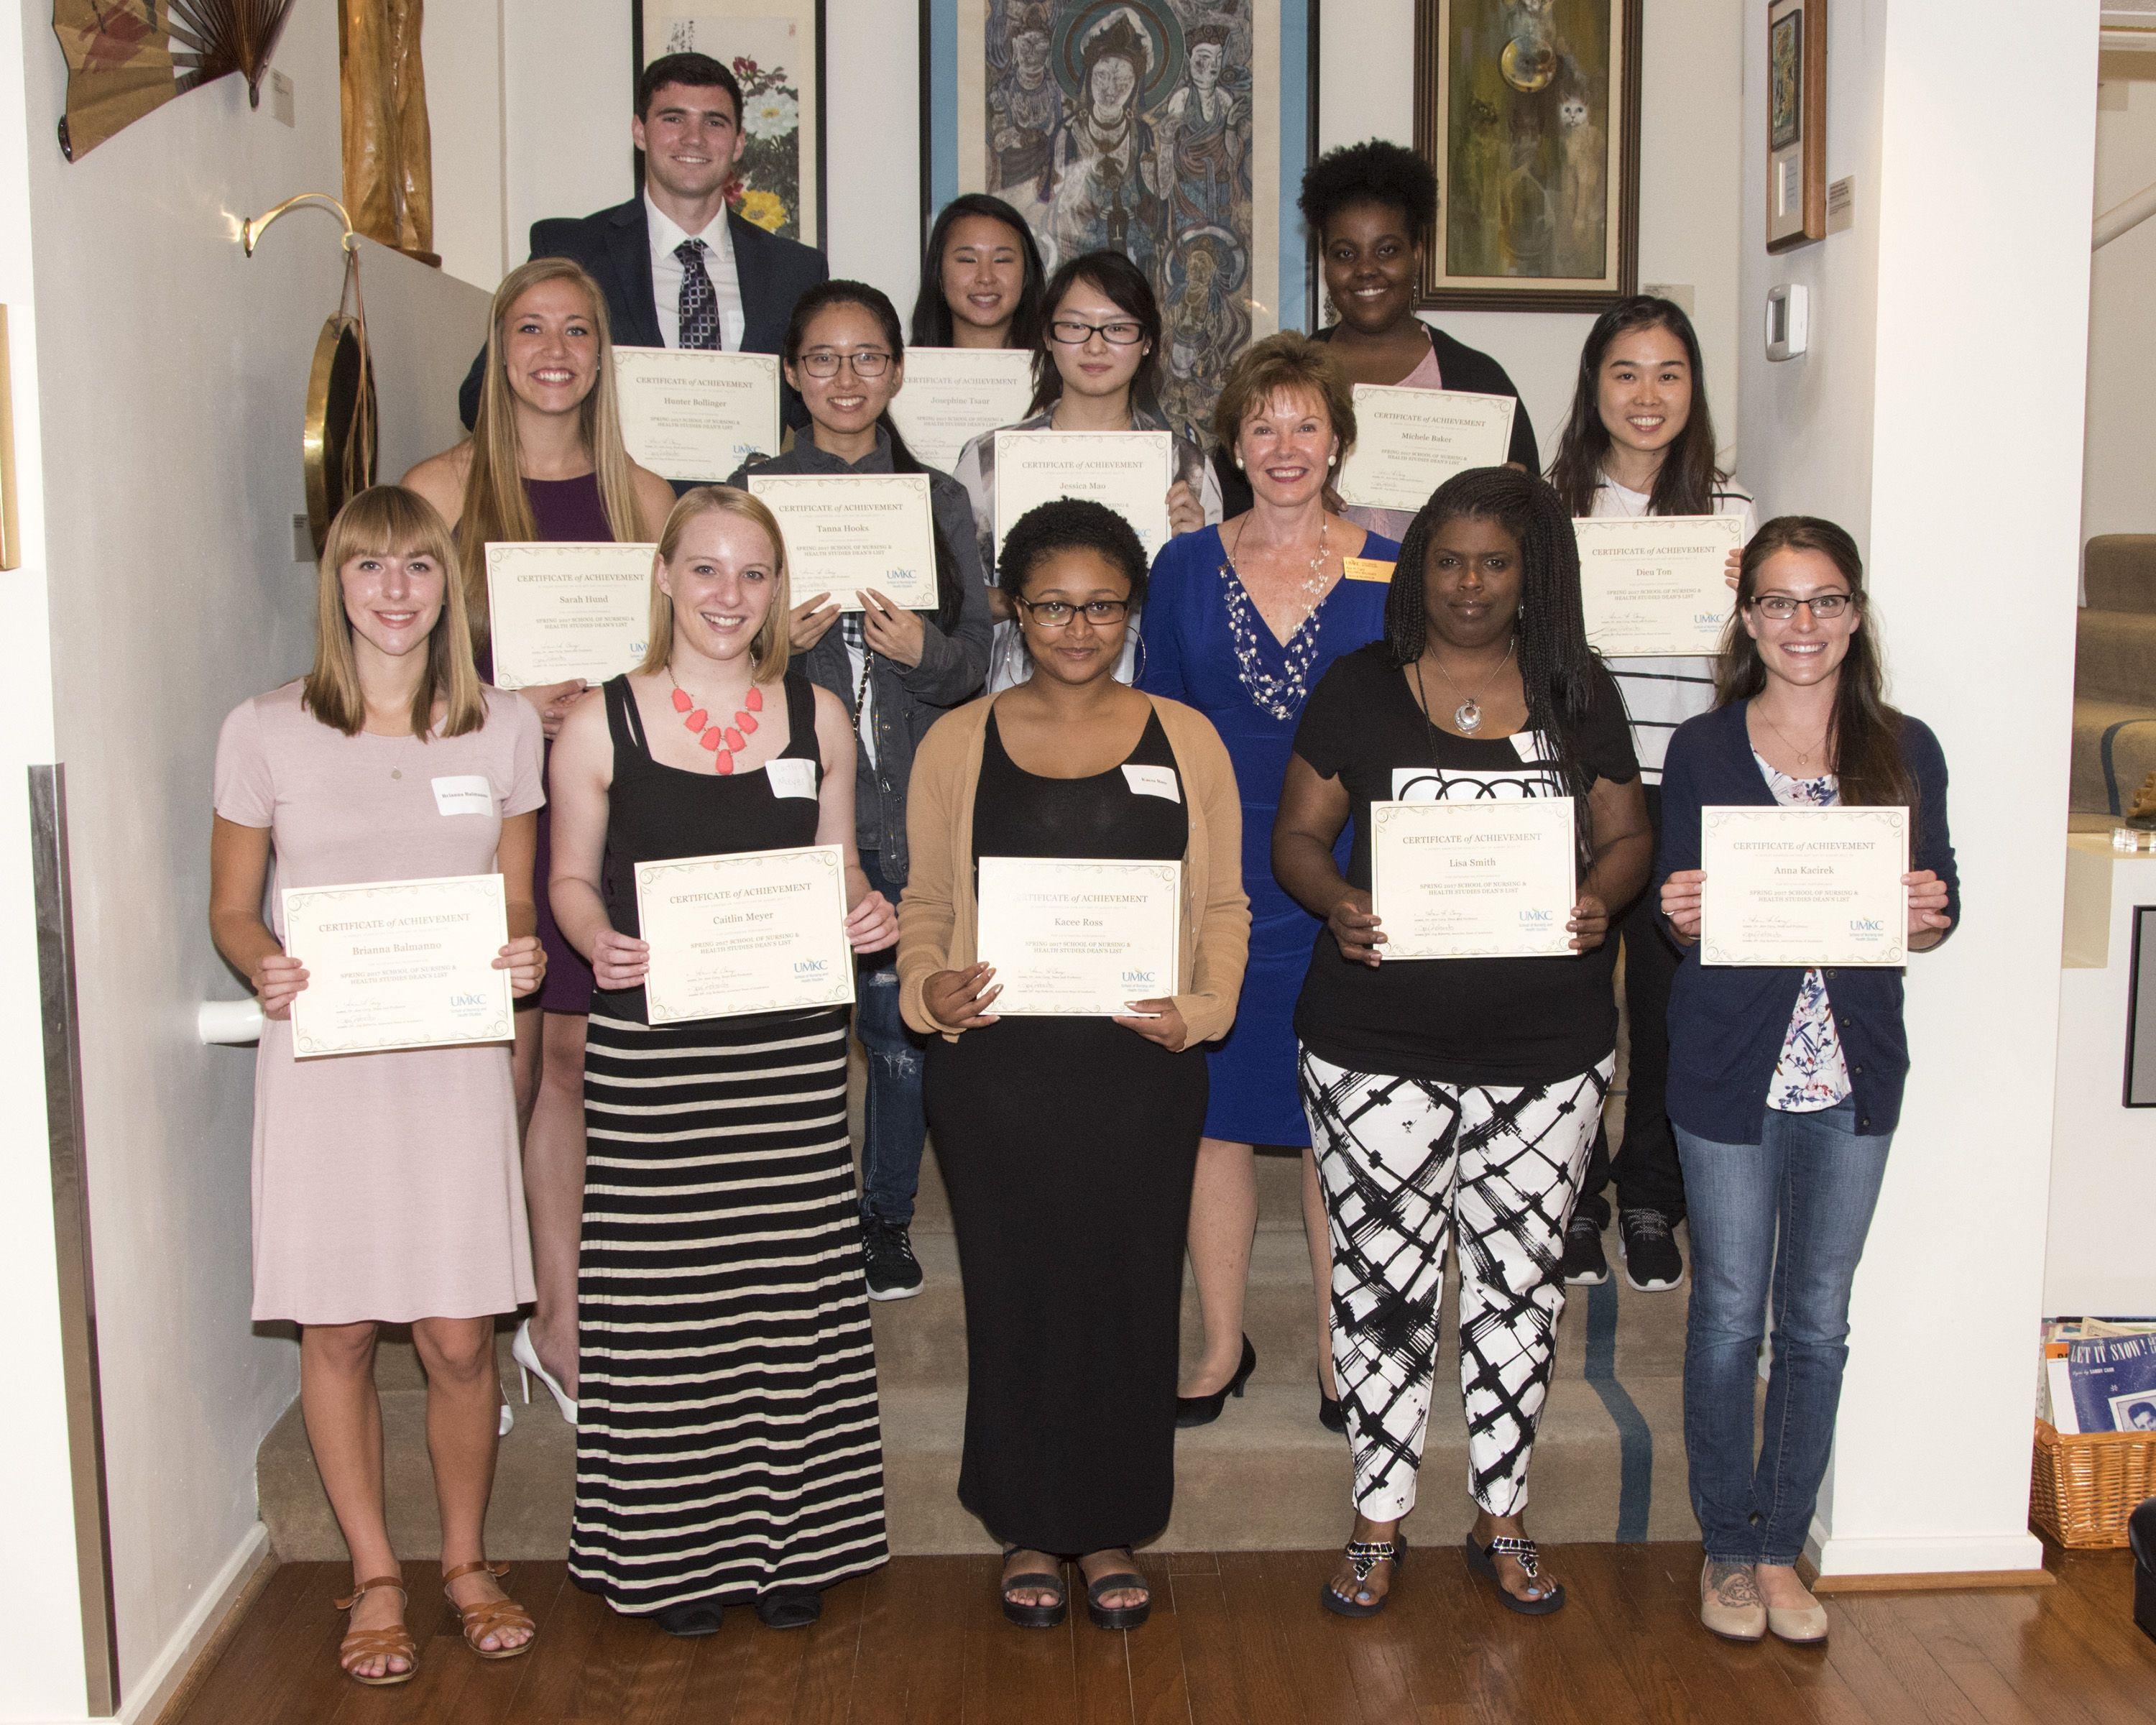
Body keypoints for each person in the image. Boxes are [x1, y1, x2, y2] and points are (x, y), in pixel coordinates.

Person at [1273, 467, 1650, 1620]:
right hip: (1372, 1044)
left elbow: (1629, 833)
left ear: (1531, 575)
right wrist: (1336, 900)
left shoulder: (1579, 694)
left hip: (1546, 1054)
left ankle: (1502, 1517)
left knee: (1518, 1289)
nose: (1471, 583)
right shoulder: (1359, 688)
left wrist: (1600, 895)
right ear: (1418, 571)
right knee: (1381, 1291)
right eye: (1449, 560)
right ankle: (1378, 1523)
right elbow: (1297, 834)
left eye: (1495, 562)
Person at [208, 486, 547, 1684]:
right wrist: (265, 965)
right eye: (369, 569)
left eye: (417, 567)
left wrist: (523, 949)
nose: (394, 591)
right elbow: (233, 910)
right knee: (341, 1325)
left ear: (448, 584)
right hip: (327, 1065)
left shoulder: (503, 727)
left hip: (449, 1060)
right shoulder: (265, 728)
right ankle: (374, 1575)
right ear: (336, 586)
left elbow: (515, 893)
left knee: (459, 1337)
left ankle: (465, 1562)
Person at [548, 485, 898, 1637]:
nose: (727, 597)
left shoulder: (820, 716)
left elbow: (838, 862)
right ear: (663, 577)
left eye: (751, 575)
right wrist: (592, 934)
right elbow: (566, 876)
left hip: (790, 1056)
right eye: (704, 571)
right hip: (656, 1058)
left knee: (787, 1298)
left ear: (776, 589)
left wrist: (866, 909)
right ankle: (674, 1553)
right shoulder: (604, 722)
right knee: (668, 1310)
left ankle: (791, 1544)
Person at [898, 499, 1250, 1631]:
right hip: (996, 1070)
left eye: (1103, 604)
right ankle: (1025, 1524)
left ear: (1131, 607)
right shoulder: (960, 738)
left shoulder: (1186, 737)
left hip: (1141, 1067)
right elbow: (929, 908)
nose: (1080, 626)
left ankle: (1109, 1523)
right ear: (1011, 605)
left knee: (1129, 1291)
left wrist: (1202, 1011)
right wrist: (926, 992)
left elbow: (1227, 907)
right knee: (1016, 1295)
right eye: (1053, 604)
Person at [1658, 516, 1956, 1647]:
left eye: (1825, 601)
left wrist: (1929, 912)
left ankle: (1782, 1548)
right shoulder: (1703, 747)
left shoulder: (1906, 746)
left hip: (1855, 1074)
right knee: (1731, 1317)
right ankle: (1725, 1550)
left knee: (1819, 1324)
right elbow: (1683, 912)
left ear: (1855, 613)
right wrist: (1681, 917)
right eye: (1779, 603)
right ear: (1748, 621)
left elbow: (1940, 896)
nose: (1803, 625)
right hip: (1732, 1069)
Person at [405, 258, 676, 1420]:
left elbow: (693, 664)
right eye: (530, 327)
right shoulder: (441, 486)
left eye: (577, 329)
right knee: (493, 1078)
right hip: (485, 817)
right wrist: (517, 707)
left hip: (610, 819)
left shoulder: (650, 495)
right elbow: (390, 662)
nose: (554, 349)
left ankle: (557, 1318)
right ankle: (468, 1320)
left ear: (603, 353)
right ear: (499, 343)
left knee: (574, 1067)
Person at [1136, 332, 1393, 1435]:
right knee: (1216, 1120)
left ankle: (1343, 1350)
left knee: (1344, 1119)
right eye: (1261, 425)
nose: (1284, 447)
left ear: (1337, 439)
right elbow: (1150, 725)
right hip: (1217, 878)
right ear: (1232, 444)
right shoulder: (1182, 566)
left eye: (1305, 424)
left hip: (1346, 878)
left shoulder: (1392, 561)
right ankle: (1220, 1339)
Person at [726, 280, 992, 1299]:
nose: (847, 379)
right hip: (788, 810)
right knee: (788, 1034)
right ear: (793, 374)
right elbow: (694, 645)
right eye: (824, 359)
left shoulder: (937, 501)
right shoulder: (748, 496)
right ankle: (791, 1224)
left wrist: (925, 648)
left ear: (896, 369)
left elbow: (975, 661)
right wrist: (766, 649)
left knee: (897, 1035)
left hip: (913, 802)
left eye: (869, 357)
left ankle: (882, 1219)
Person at [1544, 295, 1758, 1294]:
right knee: (1574, 999)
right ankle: (1574, 1195)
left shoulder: (1732, 513)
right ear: (1594, 386)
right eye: (1625, 372)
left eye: (1668, 373)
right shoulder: (1550, 508)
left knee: (1673, 1006)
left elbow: (1756, 672)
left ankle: (1648, 1196)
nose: (1646, 394)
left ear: (1693, 389)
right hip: (1575, 782)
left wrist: (1747, 601)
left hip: (1688, 784)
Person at [458, 51, 828, 433]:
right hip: (610, 490)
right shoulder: (572, 251)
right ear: (639, 131)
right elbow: (480, 399)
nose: (694, 138)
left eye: (714, 123)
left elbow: (820, 416)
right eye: (673, 118)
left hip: (744, 492)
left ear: (737, 144)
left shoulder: (795, 272)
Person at [953, 249, 1222, 688]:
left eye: (1117, 328)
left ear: (1147, 341)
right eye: (1076, 326)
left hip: (1144, 691)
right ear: (1048, 335)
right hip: (1018, 693)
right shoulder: (988, 460)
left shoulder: (1186, 467)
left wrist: (1191, 556)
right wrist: (1019, 599)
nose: (1095, 346)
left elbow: (1210, 617)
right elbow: (954, 598)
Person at [1255, 140, 1537, 538]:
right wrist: (1288, 502)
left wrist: (1519, 500)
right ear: (1325, 261)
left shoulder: (1479, 381)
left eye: (1387, 250)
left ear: (1418, 253)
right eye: (1345, 254)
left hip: (1438, 601)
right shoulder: (1281, 379)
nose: (1366, 270)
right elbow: (1235, 518)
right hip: (1308, 597)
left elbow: (1530, 535)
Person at [908, 193, 1047, 351]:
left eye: (1002, 260)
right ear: (938, 273)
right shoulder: (904, 373)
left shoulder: (1061, 374)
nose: (986, 278)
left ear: (1027, 274)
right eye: (968, 260)